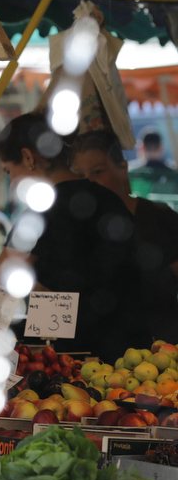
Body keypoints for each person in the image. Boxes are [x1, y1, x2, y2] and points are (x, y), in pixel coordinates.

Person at [0, 112, 149, 363]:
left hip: (79, 358)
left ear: (29, 158)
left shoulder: (42, 212)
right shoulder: (108, 200)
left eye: (9, 171)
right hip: (132, 355)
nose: (11, 185)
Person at [69, 129, 178, 343]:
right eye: (80, 175)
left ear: (122, 169)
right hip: (88, 355)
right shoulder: (70, 228)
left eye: (98, 172)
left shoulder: (159, 218)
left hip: (161, 352)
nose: (88, 182)